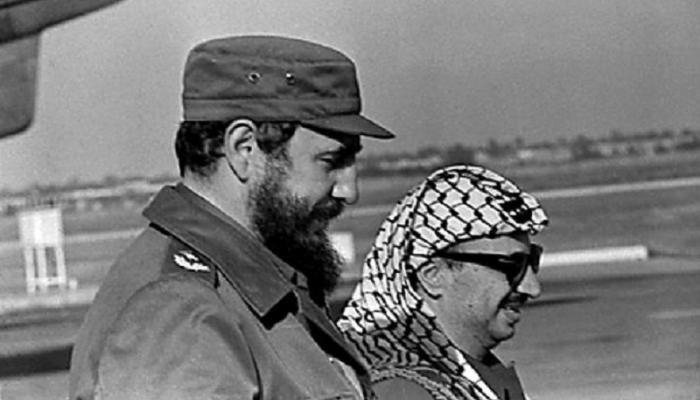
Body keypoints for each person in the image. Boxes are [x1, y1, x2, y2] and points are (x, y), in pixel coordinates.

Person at [69, 35, 394, 400]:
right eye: (331, 161)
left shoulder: (249, 287)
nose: (349, 191)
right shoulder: (180, 312)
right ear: (244, 148)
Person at [338, 165, 549, 400]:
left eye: (533, 261)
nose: (532, 288)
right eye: (512, 265)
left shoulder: (468, 377)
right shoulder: (403, 389)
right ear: (433, 275)